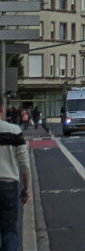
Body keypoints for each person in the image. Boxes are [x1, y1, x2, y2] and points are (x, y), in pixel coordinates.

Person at [0, 101, 30, 251]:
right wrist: (26, 188)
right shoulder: (14, 131)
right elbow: (24, 163)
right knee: (9, 230)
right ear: (1, 109)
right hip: (9, 185)